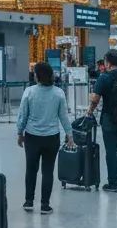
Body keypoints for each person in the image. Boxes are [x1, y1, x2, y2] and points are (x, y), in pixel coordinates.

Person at [16, 61, 75, 213]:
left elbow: (23, 115)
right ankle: (45, 205)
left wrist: (19, 132)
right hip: (51, 137)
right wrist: (69, 135)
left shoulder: (29, 92)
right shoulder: (58, 93)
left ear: (37, 75)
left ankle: (29, 201)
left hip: (32, 137)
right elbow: (64, 117)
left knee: (31, 169)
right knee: (47, 171)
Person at [85, 49, 117, 192]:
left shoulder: (104, 77)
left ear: (108, 63)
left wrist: (89, 111)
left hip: (110, 120)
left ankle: (113, 184)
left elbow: (95, 99)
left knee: (111, 152)